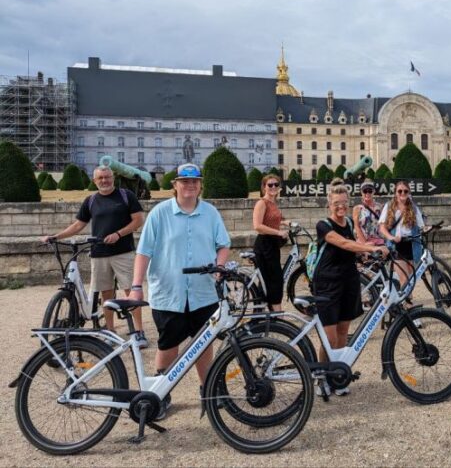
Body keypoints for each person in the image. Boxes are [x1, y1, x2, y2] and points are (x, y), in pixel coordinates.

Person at [129, 163, 230, 417]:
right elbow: (144, 252)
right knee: (168, 344)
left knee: (203, 344)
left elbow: (223, 244)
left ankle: (208, 389)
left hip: (203, 292)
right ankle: (160, 394)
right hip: (169, 293)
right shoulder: (160, 213)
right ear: (175, 185)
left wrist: (219, 266)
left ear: (200, 185)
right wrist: (136, 287)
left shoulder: (210, 213)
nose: (190, 186)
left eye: (195, 181)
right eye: (185, 181)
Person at [42, 165, 146, 345]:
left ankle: (138, 331)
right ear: (94, 180)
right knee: (107, 293)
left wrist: (119, 234)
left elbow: (138, 220)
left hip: (123, 252)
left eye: (107, 177)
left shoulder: (125, 196)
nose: (105, 181)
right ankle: (110, 331)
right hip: (99, 253)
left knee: (131, 291)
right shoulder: (90, 200)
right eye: (101, 178)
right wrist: (55, 236)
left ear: (113, 178)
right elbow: (78, 225)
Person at [314, 182, 388, 396]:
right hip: (327, 284)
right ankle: (322, 378)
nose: (340, 207)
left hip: (348, 281)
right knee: (329, 338)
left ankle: (337, 376)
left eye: (344, 203)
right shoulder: (323, 225)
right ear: (329, 204)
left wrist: (366, 254)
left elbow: (353, 245)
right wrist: (371, 247)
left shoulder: (347, 222)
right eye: (336, 203)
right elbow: (344, 244)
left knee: (342, 333)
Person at [378, 180, 427, 295]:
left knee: (411, 278)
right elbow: (382, 228)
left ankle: (407, 302)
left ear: (409, 192)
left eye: (405, 191)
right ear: (395, 193)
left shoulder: (413, 208)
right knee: (404, 279)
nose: (402, 193)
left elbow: (421, 226)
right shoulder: (389, 206)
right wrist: (391, 237)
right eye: (399, 191)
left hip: (411, 245)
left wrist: (429, 229)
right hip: (397, 245)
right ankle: (404, 304)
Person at [252, 173, 290, 311]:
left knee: (270, 280)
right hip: (264, 245)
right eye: (270, 185)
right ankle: (277, 312)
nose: (273, 187)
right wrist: (279, 232)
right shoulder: (261, 203)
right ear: (264, 187)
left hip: (272, 245)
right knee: (274, 280)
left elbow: (274, 219)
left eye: (276, 184)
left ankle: (262, 310)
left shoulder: (273, 203)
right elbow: (257, 226)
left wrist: (286, 222)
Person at [352, 179, 384, 245]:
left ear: (373, 191)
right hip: (362, 241)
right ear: (361, 192)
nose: (367, 193)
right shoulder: (357, 208)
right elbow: (356, 226)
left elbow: (383, 225)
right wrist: (365, 243)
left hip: (378, 240)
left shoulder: (380, 207)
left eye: (370, 191)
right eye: (365, 191)